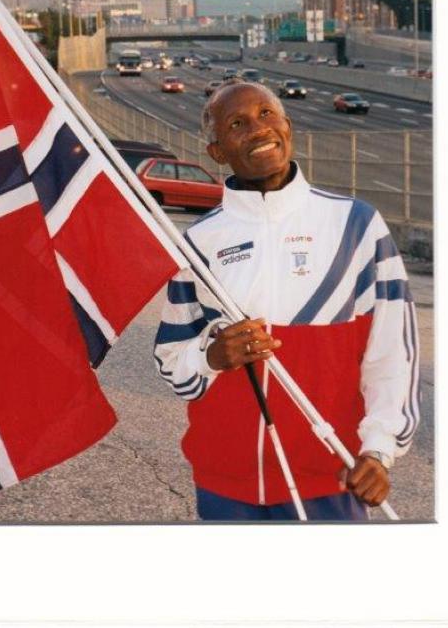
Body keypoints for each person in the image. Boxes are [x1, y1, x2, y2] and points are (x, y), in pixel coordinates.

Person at [154, 80, 420, 521]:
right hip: (225, 486)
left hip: (331, 477)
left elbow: (392, 354)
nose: (258, 130)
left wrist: (378, 450)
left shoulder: (356, 224)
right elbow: (171, 362)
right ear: (217, 151)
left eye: (266, 115)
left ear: (287, 125)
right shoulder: (198, 243)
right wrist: (211, 356)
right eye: (238, 124)